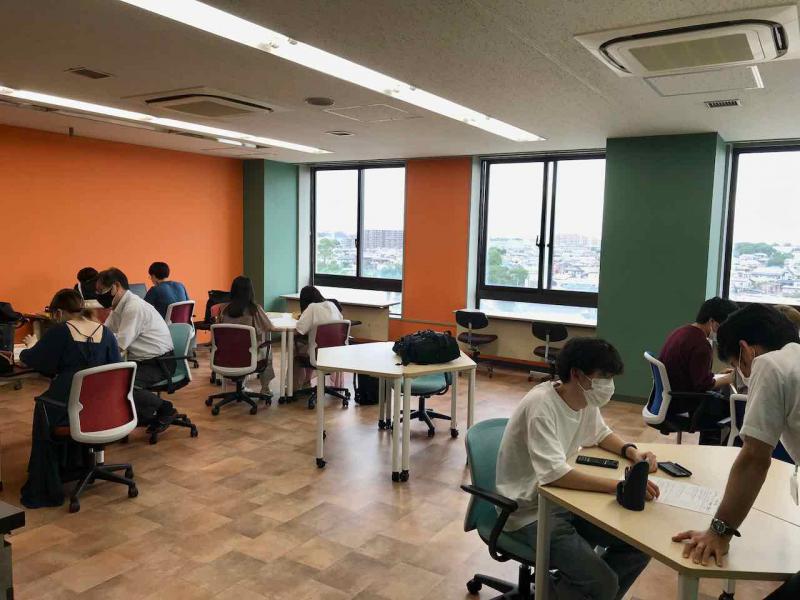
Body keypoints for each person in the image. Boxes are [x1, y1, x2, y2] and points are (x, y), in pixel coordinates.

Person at [496, 337, 659, 600]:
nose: (608, 384)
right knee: (604, 584)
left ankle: (573, 590)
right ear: (577, 374)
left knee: (639, 546)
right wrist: (620, 486)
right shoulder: (541, 406)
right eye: (603, 376)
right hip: (530, 513)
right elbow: (555, 475)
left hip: (563, 503)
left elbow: (600, 434)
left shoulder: (583, 399)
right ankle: (577, 590)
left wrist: (633, 453)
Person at [672, 304, 800, 599]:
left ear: (745, 350)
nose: (742, 375)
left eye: (736, 364)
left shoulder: (769, 365)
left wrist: (719, 531)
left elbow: (754, 459)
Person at [17, 289, 122, 507]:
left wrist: (31, 346)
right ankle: (76, 464)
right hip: (101, 409)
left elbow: (36, 360)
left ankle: (48, 482)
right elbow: (116, 370)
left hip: (70, 407)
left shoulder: (61, 332)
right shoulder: (106, 332)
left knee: (44, 407)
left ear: (58, 312)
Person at [658, 296, 739, 444]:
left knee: (720, 400)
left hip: (671, 399)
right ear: (712, 321)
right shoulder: (701, 344)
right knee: (732, 410)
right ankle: (709, 449)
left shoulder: (682, 331)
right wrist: (730, 378)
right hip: (683, 403)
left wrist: (717, 376)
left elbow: (691, 373)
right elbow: (702, 385)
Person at [96, 267, 176, 389]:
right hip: (141, 362)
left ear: (116, 286)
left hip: (158, 364)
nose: (99, 296)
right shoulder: (118, 307)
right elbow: (105, 333)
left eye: (101, 291)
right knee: (104, 379)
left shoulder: (134, 307)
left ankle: (158, 403)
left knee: (118, 386)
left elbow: (120, 345)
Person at [216, 276, 275, 397]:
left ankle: (241, 386)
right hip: (247, 356)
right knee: (267, 351)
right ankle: (265, 389)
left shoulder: (223, 309)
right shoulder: (254, 309)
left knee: (240, 346)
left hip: (225, 356)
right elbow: (269, 327)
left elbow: (218, 331)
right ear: (250, 291)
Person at [293, 285, 343, 390]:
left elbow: (299, 330)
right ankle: (306, 381)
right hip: (336, 352)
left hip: (318, 353)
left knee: (298, 347)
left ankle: (295, 387)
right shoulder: (332, 305)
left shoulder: (312, 308)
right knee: (312, 344)